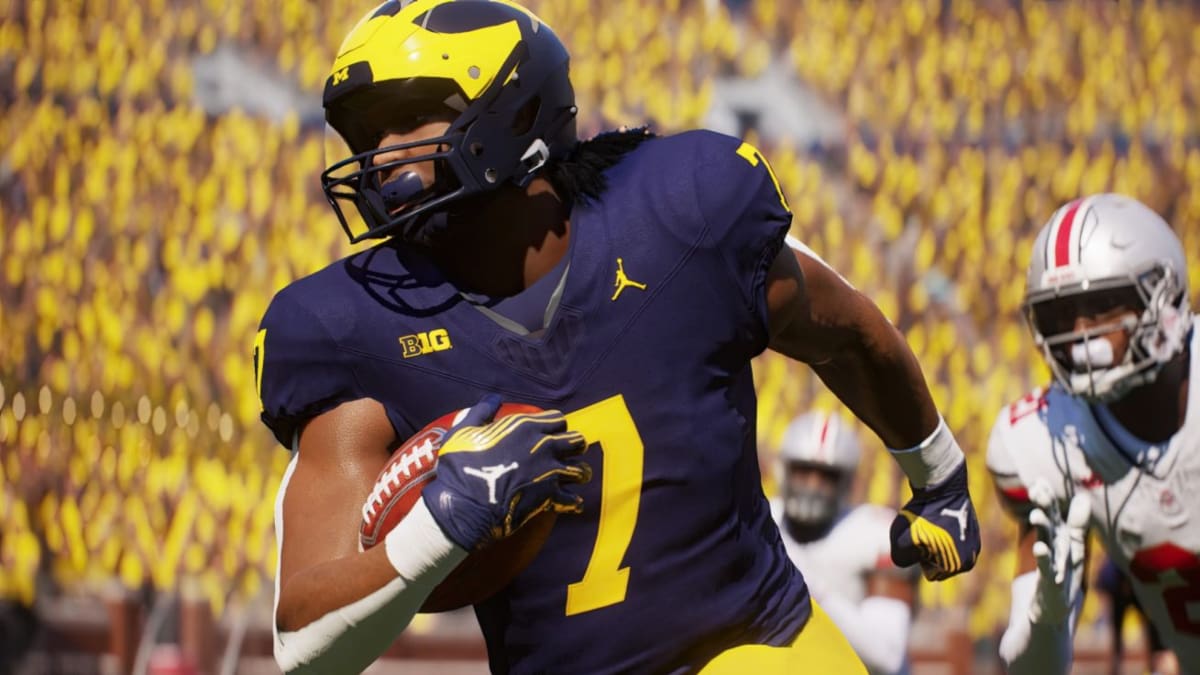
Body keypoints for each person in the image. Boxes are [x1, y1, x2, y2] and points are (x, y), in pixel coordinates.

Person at [255, 0, 981, 672]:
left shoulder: (679, 212)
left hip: (759, 644)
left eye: (411, 119)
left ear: (515, 112)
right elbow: (305, 649)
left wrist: (939, 474)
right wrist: (441, 528)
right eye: (367, 134)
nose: (381, 156)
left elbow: (845, 331)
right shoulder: (350, 323)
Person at [986, 193, 1197, 674]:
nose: (1079, 338)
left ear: (1164, 299)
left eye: (1101, 308)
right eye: (1061, 317)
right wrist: (1047, 618)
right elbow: (1034, 672)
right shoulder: (1045, 438)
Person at [770, 410, 919, 675]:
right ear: (785, 471)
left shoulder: (874, 534)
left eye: (826, 476)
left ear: (846, 483)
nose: (812, 486)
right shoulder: (760, 520)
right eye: (803, 473)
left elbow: (886, 656)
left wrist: (803, 583)